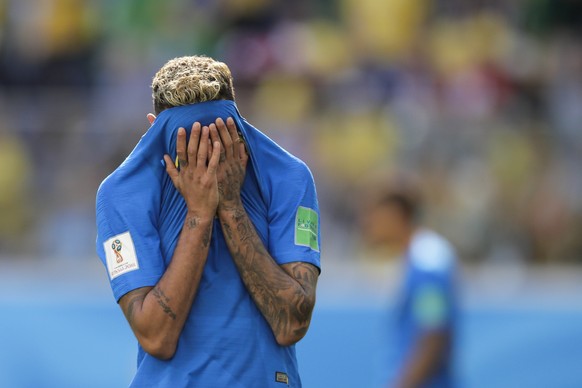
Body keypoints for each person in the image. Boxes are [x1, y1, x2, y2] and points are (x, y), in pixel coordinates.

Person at [95, 56, 321, 387]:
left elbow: (291, 323)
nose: (208, 157)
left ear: (239, 127)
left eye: (218, 138)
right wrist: (199, 213)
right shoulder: (121, 195)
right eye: (191, 142)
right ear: (155, 131)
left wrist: (230, 205)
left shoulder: (289, 178)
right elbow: (157, 337)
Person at [362, 178, 458, 388]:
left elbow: (433, 333)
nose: (368, 223)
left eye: (374, 215)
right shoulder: (417, 258)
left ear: (394, 215)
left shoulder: (427, 262)